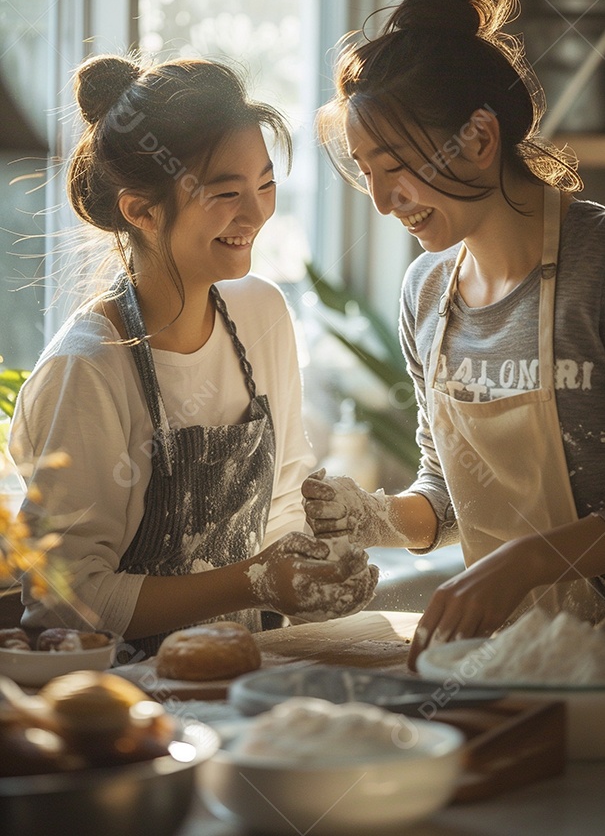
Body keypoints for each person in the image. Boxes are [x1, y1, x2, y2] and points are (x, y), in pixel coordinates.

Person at [9, 55, 377, 658]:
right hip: (138, 695)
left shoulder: (263, 314)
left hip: (245, 676)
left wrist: (314, 570)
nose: (256, 214)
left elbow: (284, 500)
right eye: (227, 192)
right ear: (140, 211)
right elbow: (63, 599)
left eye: (265, 184)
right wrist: (254, 581)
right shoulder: (90, 366)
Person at [302, 0, 605, 669]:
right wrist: (370, 517)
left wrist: (529, 560)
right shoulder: (427, 293)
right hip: (520, 661)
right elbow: (444, 490)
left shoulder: (596, 266)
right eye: (365, 173)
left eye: (394, 166)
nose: (380, 201)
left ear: (476, 137)